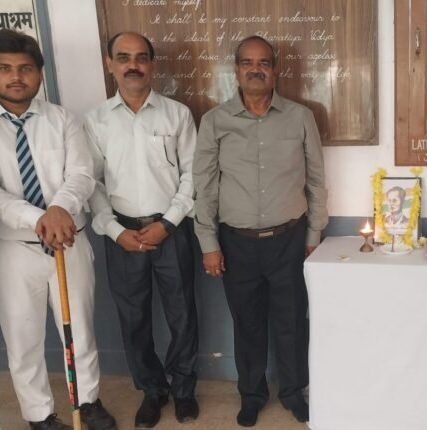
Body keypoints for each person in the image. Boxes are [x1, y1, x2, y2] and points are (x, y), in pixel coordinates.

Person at [193, 35, 328, 427]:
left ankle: (293, 392)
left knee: (292, 321)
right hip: (237, 244)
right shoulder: (214, 121)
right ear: (236, 70)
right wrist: (208, 243)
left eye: (264, 63)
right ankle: (251, 396)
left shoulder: (300, 117)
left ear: (275, 70)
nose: (256, 69)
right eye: (247, 63)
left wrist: (313, 235)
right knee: (247, 325)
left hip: (290, 239)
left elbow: (316, 180)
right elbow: (205, 187)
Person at [0, 29, 117, 430]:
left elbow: (81, 173)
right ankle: (39, 416)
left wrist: (58, 208)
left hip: (69, 241)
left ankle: (88, 402)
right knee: (23, 336)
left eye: (25, 68)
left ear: (39, 73)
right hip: (16, 248)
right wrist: (37, 218)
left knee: (79, 329)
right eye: (5, 68)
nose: (16, 77)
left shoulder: (63, 119)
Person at [85, 32, 199, 427]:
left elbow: (192, 176)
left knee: (182, 314)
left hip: (171, 231)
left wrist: (168, 223)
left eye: (140, 57)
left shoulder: (177, 114)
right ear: (110, 64)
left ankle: (184, 390)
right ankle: (152, 390)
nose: (132, 65)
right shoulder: (96, 120)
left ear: (152, 64)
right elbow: (91, 183)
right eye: (123, 57)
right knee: (133, 319)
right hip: (122, 235)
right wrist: (114, 230)